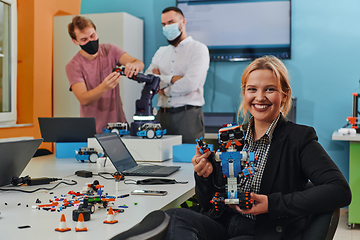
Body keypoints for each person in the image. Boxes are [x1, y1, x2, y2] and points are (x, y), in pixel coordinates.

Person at [164, 56, 351, 240]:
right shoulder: (233, 137)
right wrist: (204, 176)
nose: (260, 97)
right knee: (173, 216)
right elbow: (206, 202)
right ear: (244, 93)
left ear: (284, 95)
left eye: (269, 89)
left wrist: (272, 204)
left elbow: (339, 190)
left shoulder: (299, 138)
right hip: (223, 223)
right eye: (252, 89)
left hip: (263, 230)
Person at [65, 16, 144, 133]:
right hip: (94, 129)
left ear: (96, 32)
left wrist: (134, 66)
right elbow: (83, 98)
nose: (91, 41)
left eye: (93, 36)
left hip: (119, 124)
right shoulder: (73, 65)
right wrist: (104, 87)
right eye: (84, 39)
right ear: (75, 41)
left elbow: (138, 63)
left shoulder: (110, 50)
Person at [145, 6, 210, 143]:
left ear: (183, 22)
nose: (166, 27)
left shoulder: (198, 49)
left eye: (171, 22)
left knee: (191, 160)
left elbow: (190, 84)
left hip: (188, 117)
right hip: (161, 116)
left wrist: (162, 87)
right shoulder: (160, 52)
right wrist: (173, 79)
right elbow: (149, 80)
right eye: (163, 24)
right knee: (161, 161)